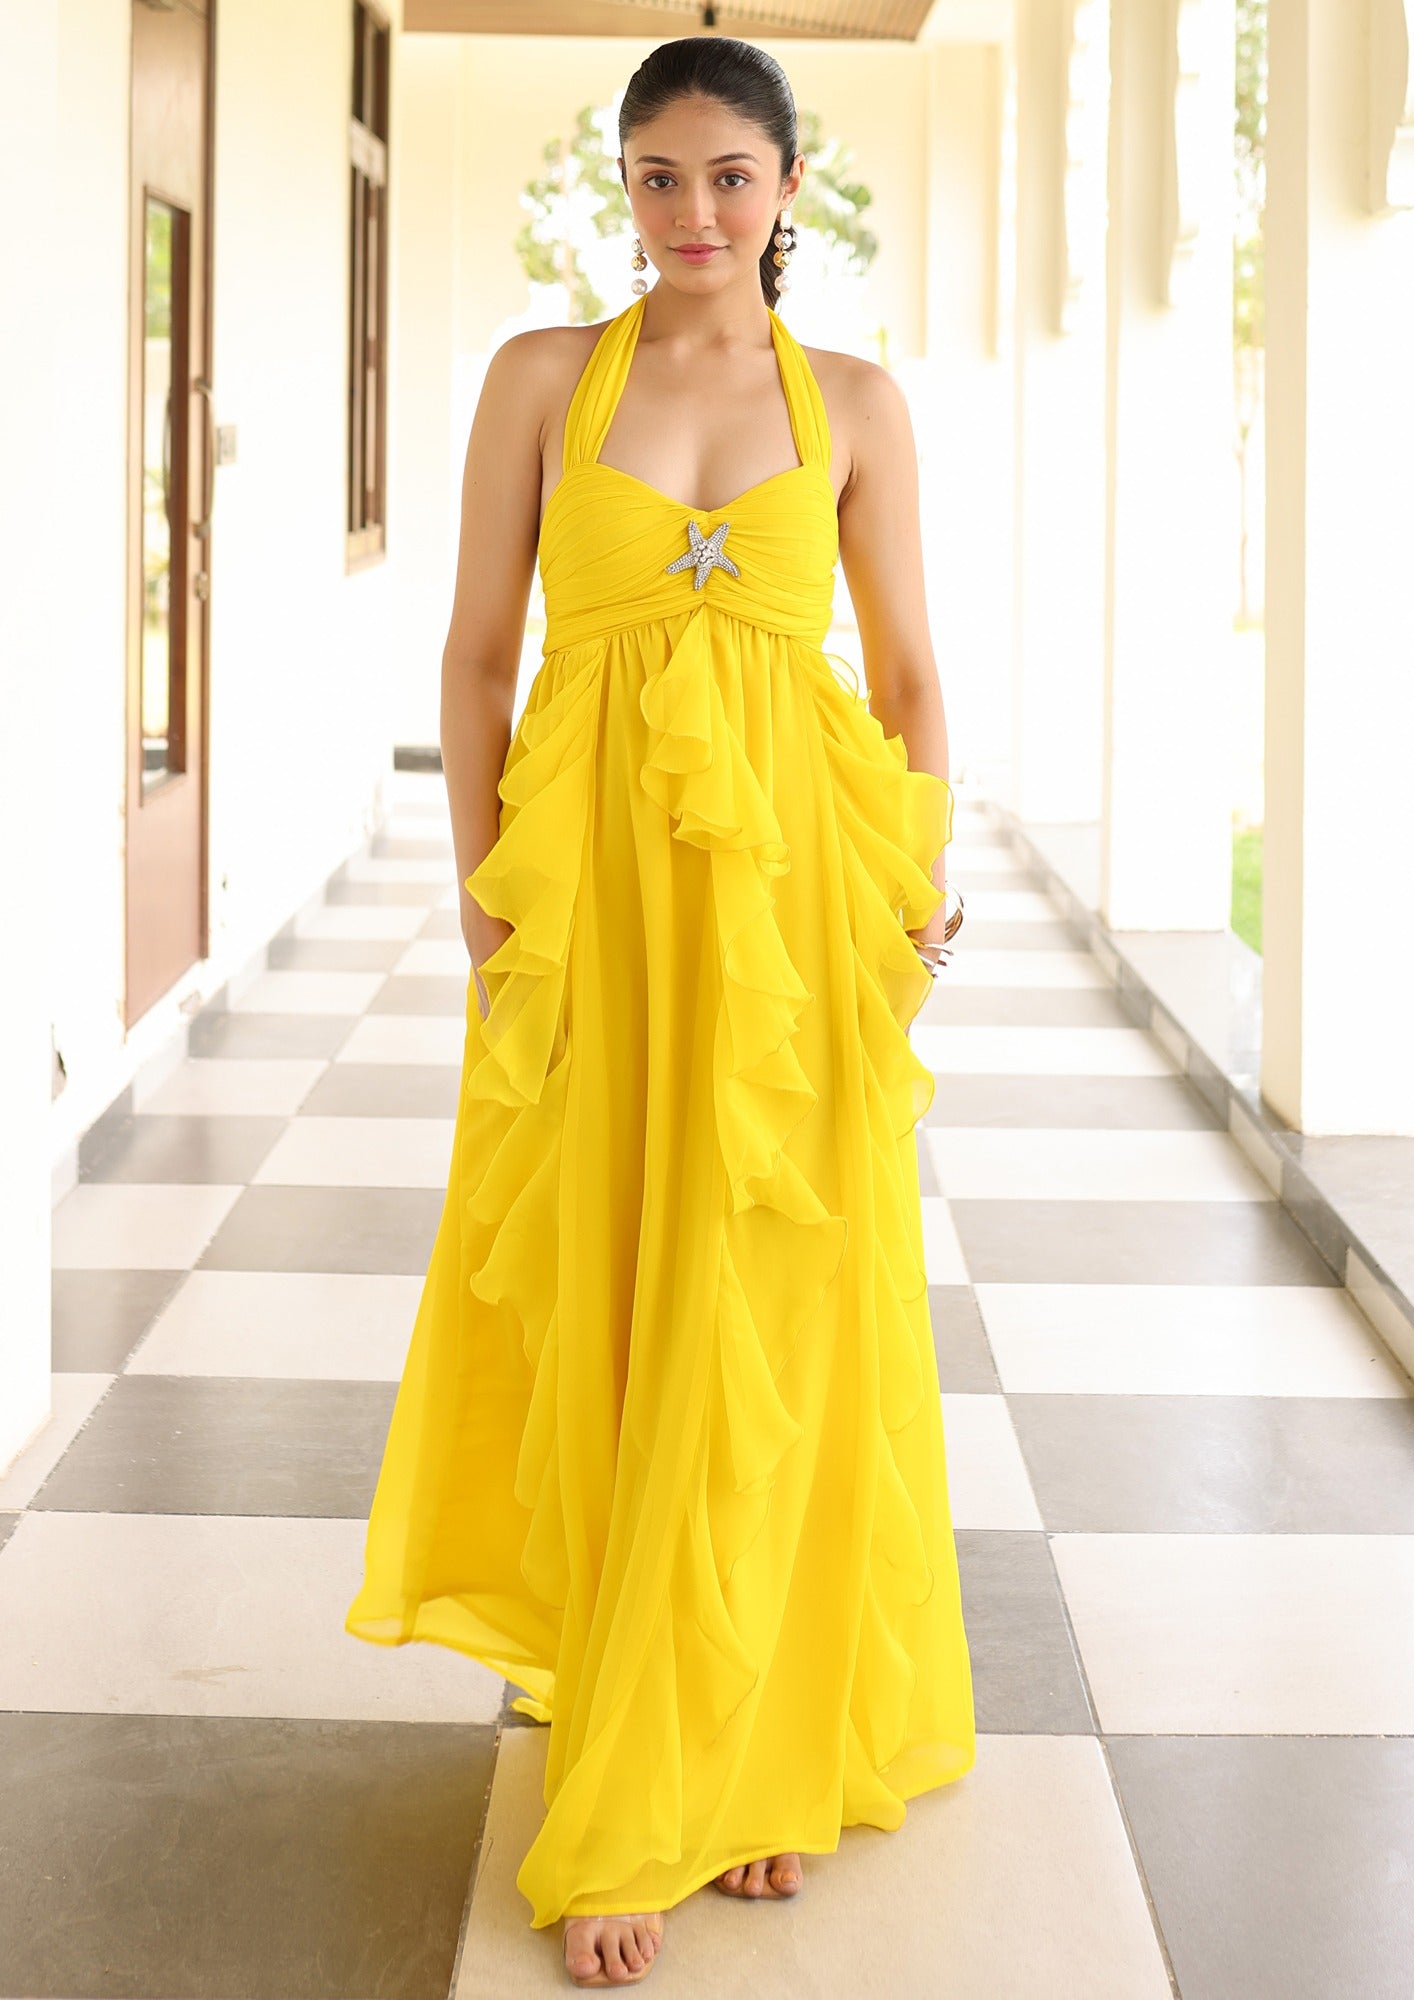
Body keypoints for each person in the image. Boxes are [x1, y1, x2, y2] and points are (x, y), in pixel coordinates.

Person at [344, 33, 975, 1990]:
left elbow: (909, 675)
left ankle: (762, 1740)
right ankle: (636, 1742)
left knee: (774, 1302)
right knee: (616, 1277)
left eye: (728, 175)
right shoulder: (545, 381)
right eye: (657, 176)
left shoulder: (855, 401)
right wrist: (482, 890)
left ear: (790, 189)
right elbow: (474, 657)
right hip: (595, 902)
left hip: (795, 912)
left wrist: (915, 885)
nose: (693, 212)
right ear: (620, 188)